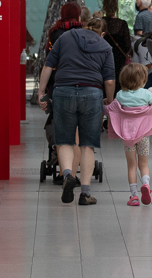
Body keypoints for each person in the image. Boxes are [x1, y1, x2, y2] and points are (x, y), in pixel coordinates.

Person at [37, 18, 115, 206]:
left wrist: (41, 92)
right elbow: (110, 81)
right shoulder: (105, 46)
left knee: (64, 140)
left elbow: (48, 65)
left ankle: (66, 175)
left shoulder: (65, 37)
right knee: (87, 145)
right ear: (101, 33)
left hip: (64, 91)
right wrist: (109, 100)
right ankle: (85, 193)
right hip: (92, 93)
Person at [105, 63, 152, 207]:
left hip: (128, 139)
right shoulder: (146, 94)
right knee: (143, 164)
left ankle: (134, 196)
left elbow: (109, 111)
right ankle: (146, 185)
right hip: (143, 136)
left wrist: (102, 105)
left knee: (131, 166)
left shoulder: (120, 95)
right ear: (143, 81)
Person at [100, 0, 132, 97]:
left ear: (104, 7)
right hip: (118, 60)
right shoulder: (122, 24)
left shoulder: (100, 23)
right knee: (118, 85)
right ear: (116, 8)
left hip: (102, 58)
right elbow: (127, 46)